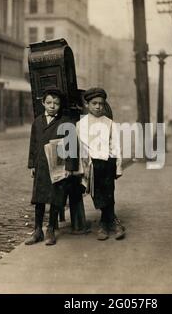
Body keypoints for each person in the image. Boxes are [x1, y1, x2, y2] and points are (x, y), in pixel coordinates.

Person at [26, 88, 77, 246]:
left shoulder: (66, 122)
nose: (52, 106)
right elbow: (33, 144)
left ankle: (51, 229)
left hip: (58, 165)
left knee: (55, 196)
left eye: (56, 103)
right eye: (49, 102)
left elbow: (71, 146)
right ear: (43, 103)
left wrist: (69, 167)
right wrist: (32, 165)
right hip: (42, 164)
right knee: (39, 198)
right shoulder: (37, 122)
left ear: (60, 105)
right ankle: (37, 230)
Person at [76, 88, 125, 241]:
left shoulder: (109, 123)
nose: (98, 107)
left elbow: (116, 146)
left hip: (108, 162)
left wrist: (118, 165)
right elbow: (81, 148)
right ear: (87, 104)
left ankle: (105, 224)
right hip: (92, 164)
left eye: (101, 104)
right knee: (97, 193)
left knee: (109, 191)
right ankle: (112, 221)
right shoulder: (80, 124)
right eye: (94, 103)